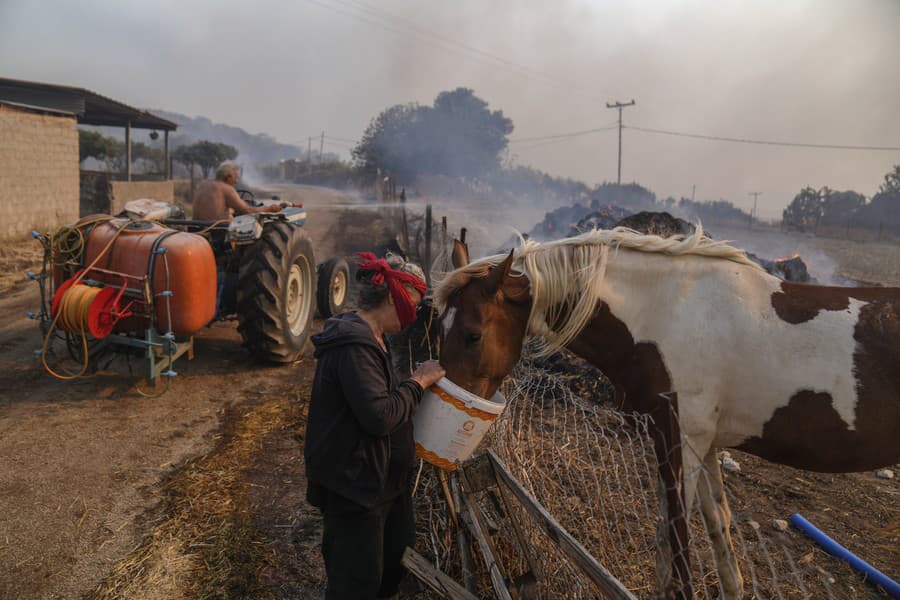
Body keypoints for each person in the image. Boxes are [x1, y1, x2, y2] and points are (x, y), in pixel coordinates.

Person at [304, 252, 445, 600]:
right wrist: (418, 383)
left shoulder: (374, 338)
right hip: (358, 487)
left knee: (394, 563)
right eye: (410, 305)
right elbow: (379, 417)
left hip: (383, 483)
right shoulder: (355, 345)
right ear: (391, 298)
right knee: (355, 583)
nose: (412, 316)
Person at [192, 162, 288, 221]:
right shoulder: (226, 188)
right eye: (235, 177)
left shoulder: (203, 185)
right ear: (228, 177)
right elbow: (248, 210)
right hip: (216, 233)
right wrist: (270, 209)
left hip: (196, 228)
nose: (236, 181)